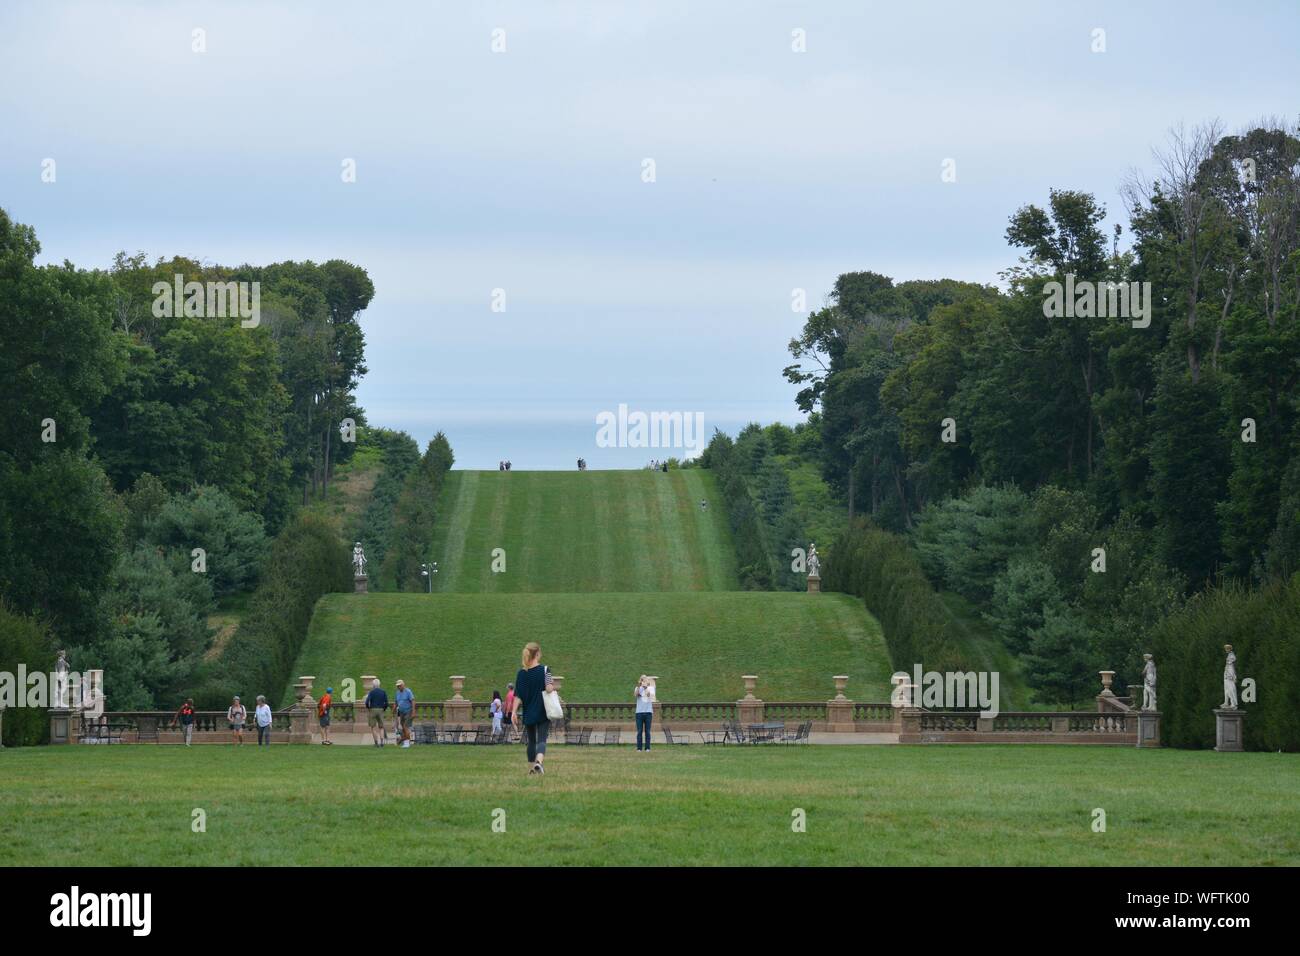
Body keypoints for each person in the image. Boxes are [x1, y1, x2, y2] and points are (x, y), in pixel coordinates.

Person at [511, 642, 554, 775]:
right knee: (542, 739)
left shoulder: (521, 673)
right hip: (542, 710)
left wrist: (513, 712)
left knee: (531, 741)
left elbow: (518, 695)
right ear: (537, 654)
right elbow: (549, 688)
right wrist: (550, 686)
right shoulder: (545, 670)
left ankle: (531, 769)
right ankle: (539, 763)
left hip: (528, 711)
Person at [364, 678, 389, 746]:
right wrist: (384, 709)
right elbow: (386, 703)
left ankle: (376, 742)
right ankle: (381, 742)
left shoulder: (371, 692)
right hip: (381, 709)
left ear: (373, 685)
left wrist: (368, 708)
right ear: (379, 684)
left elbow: (367, 702)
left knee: (373, 727)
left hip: (373, 709)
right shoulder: (383, 692)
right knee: (381, 727)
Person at [634, 676, 655, 751]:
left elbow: (651, 696)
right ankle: (639, 748)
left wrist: (646, 688)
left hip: (648, 712)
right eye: (642, 680)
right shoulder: (638, 688)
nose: (644, 681)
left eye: (645, 680)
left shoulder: (651, 688)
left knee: (647, 731)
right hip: (639, 712)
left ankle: (647, 748)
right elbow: (636, 695)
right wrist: (639, 686)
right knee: (639, 731)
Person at [394, 679, 414, 748]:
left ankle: (407, 743)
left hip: (408, 711)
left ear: (403, 685)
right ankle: (404, 741)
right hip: (401, 712)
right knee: (403, 728)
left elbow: (413, 701)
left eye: (400, 686)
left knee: (406, 726)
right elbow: (396, 702)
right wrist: (394, 709)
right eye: (397, 686)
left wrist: (413, 712)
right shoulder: (397, 693)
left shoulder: (408, 691)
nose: (398, 687)